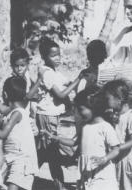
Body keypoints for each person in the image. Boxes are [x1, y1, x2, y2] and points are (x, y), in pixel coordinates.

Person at [0, 76, 39, 190]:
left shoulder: (17, 113)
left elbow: (2, 134)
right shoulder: (11, 113)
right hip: (11, 157)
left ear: (5, 94)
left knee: (12, 186)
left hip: (22, 159)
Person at [36, 37, 84, 189]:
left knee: (46, 150)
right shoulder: (47, 73)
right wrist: (78, 79)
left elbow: (66, 83)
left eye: (59, 55)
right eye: (53, 56)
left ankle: (21, 177)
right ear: (45, 57)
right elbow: (61, 95)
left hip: (51, 115)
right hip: (47, 115)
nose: (58, 58)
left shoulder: (53, 72)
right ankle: (60, 185)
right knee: (51, 151)